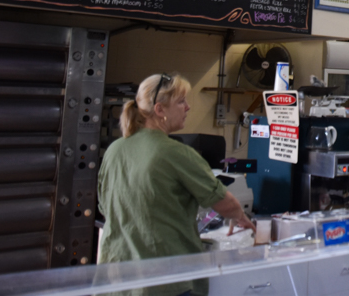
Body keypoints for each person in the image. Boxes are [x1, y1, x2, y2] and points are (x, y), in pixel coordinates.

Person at [98, 73, 255, 296]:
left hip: (115, 280)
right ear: (159, 110)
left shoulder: (114, 150)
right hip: (163, 282)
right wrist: (241, 217)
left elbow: (105, 207)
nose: (188, 107)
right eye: (181, 102)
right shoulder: (176, 153)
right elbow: (226, 204)